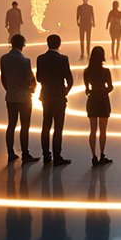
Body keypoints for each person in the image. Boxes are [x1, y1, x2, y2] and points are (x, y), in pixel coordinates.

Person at [36, 34, 73, 165]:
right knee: (58, 128)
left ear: (47, 44)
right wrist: (65, 92)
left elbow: (38, 78)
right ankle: (57, 157)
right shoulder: (63, 59)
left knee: (46, 126)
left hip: (46, 96)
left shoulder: (40, 58)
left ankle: (46, 155)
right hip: (59, 97)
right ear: (59, 44)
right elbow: (70, 80)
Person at [1, 33, 38, 162]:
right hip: (24, 97)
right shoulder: (25, 60)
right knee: (25, 125)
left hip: (10, 96)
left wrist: (10, 89)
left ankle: (10, 152)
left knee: (11, 124)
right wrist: (32, 87)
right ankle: (25, 153)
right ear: (22, 44)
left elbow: (3, 78)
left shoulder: (4, 58)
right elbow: (29, 78)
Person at [83, 46, 114, 166]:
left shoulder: (87, 71)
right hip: (103, 100)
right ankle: (102, 154)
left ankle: (93, 156)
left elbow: (87, 89)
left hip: (92, 100)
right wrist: (104, 90)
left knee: (92, 130)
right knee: (103, 130)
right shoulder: (106, 71)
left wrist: (93, 91)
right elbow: (110, 87)